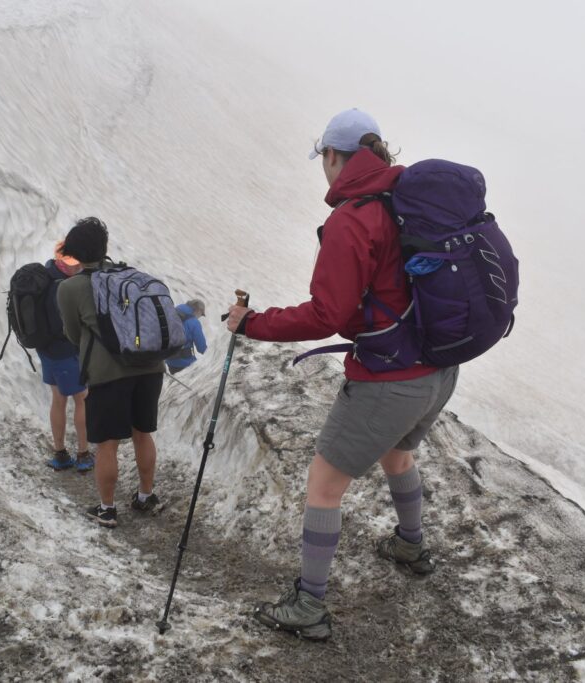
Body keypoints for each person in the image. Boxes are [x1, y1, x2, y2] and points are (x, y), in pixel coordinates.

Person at [225, 108, 459, 641]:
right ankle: (409, 543)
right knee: (397, 454)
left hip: (391, 377)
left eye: (323, 159)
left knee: (324, 485)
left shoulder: (355, 217)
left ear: (333, 156)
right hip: (440, 370)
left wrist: (252, 324)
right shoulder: (408, 200)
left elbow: (326, 313)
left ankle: (308, 605)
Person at [56, 217, 165, 528]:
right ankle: (146, 496)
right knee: (143, 433)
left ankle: (106, 509)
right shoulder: (130, 276)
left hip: (108, 373)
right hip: (150, 367)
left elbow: (74, 335)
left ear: (74, 252)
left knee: (107, 444)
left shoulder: (71, 287)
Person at [39, 241, 93, 473]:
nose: (77, 266)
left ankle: (60, 452)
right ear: (62, 261)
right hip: (64, 352)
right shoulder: (62, 287)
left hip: (46, 349)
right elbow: (71, 324)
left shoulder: (44, 277)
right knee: (81, 398)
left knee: (58, 397)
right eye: (74, 263)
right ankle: (82, 454)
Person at [166, 299, 208, 375]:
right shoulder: (193, 322)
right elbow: (201, 348)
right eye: (201, 314)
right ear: (198, 310)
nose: (200, 317)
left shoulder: (173, 313)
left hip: (169, 359)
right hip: (185, 362)